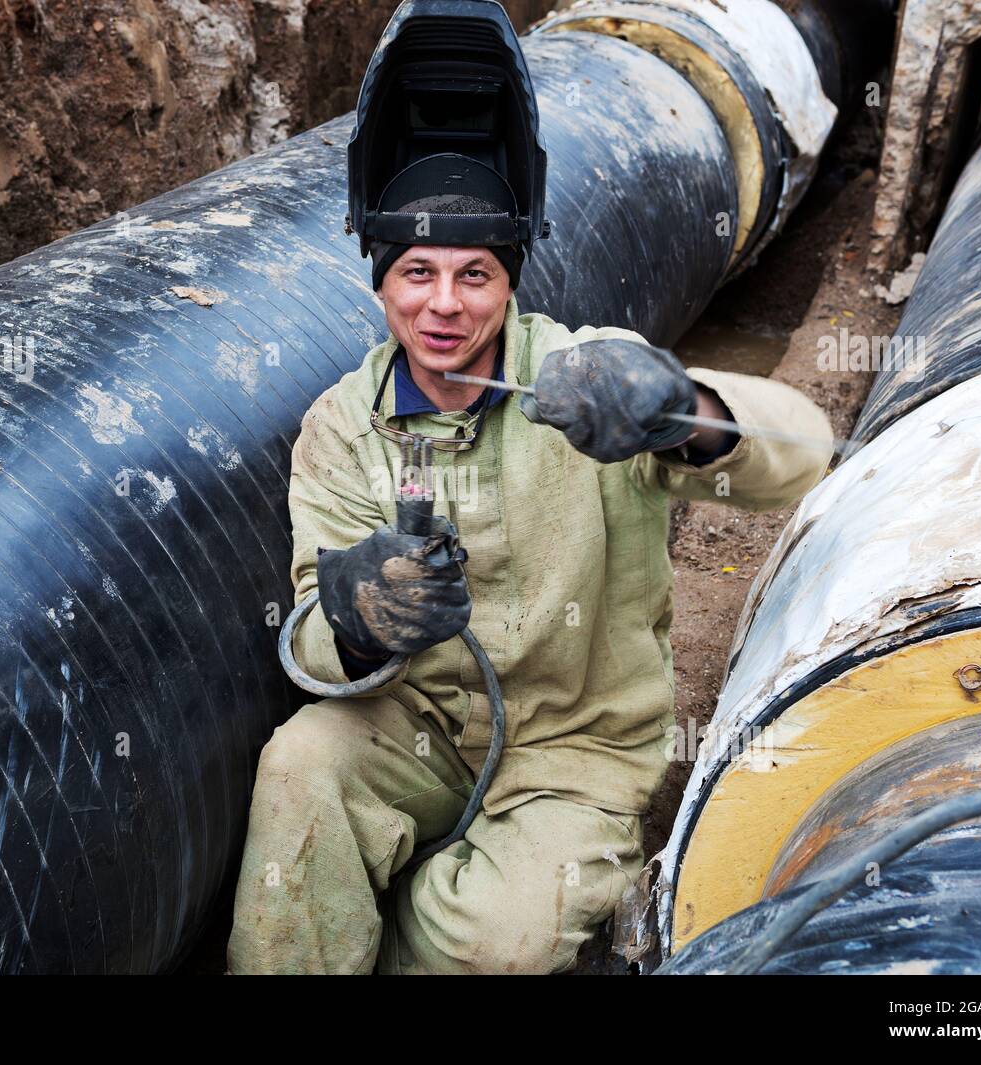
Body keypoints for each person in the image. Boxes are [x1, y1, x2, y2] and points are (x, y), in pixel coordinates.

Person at [226, 0, 833, 974]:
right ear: (379, 280)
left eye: (474, 273)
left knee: (495, 942)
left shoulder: (594, 381)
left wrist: (683, 411)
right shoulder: (344, 424)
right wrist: (355, 612)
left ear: (510, 279)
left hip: (573, 754)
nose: (443, 304)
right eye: (416, 271)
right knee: (301, 768)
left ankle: (433, 924)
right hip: (414, 728)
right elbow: (306, 640)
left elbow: (798, 455)